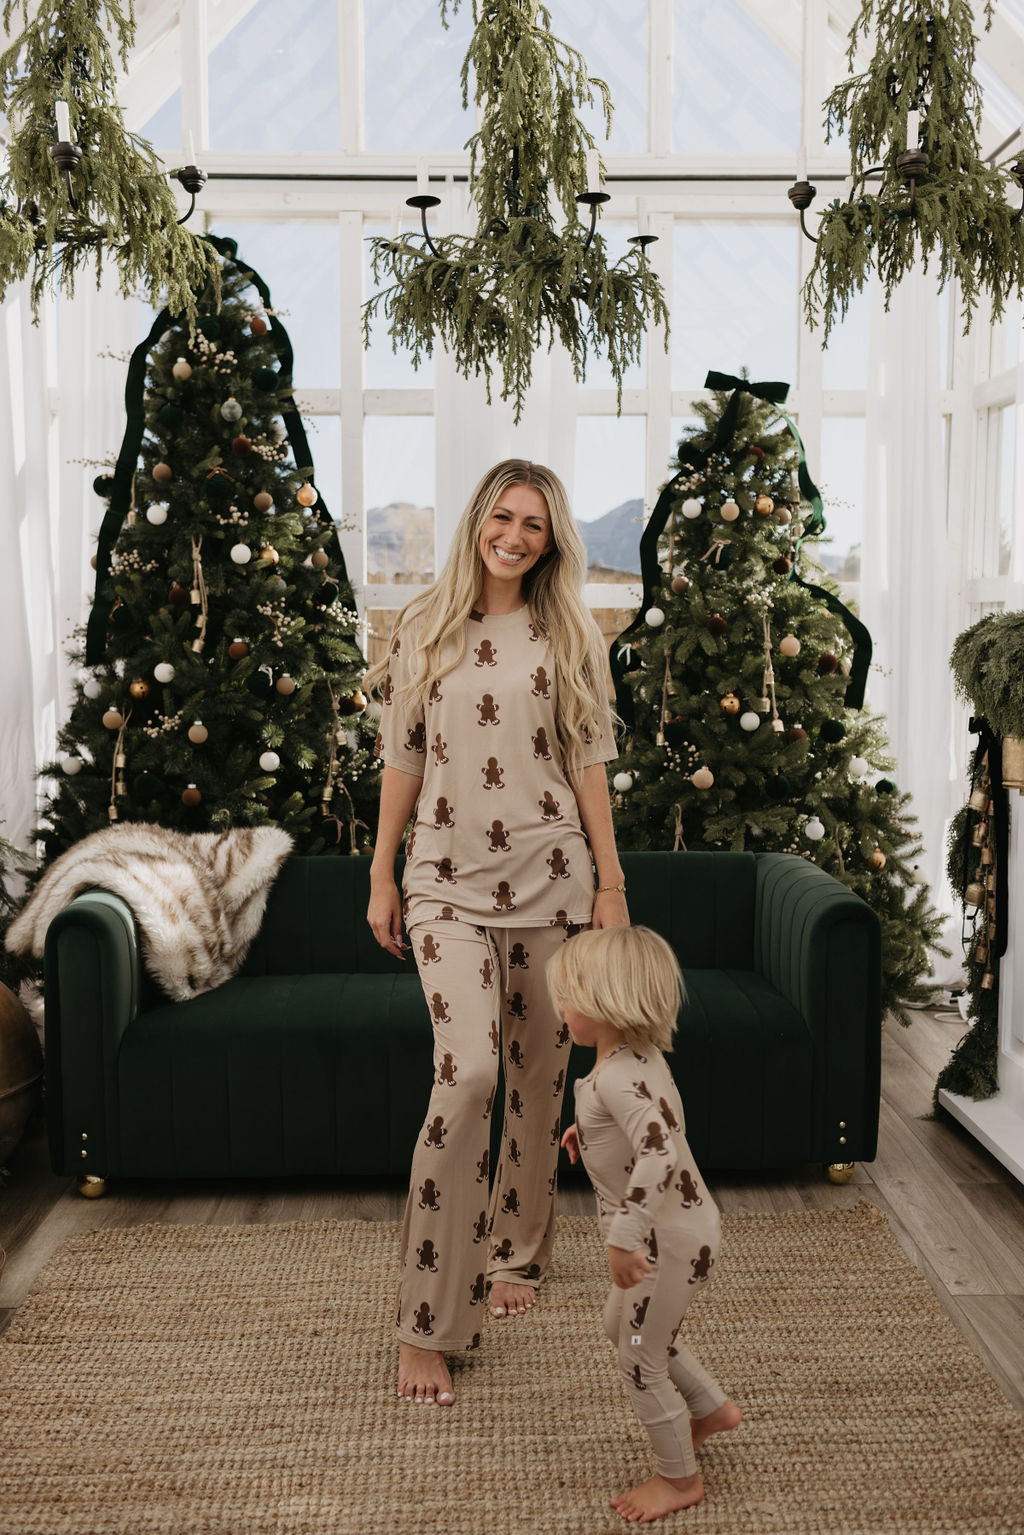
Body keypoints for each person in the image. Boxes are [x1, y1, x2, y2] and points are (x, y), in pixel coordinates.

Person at [365, 459, 629, 1410]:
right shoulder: (424, 624)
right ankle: (426, 1321)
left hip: (554, 878)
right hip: (444, 881)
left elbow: (590, 760)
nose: (514, 535)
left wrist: (610, 882)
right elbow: (402, 756)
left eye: (534, 524)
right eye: (502, 516)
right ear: (479, 518)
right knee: (468, 1072)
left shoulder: (567, 631)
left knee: (535, 1074)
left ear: (553, 538)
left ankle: (517, 1250)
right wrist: (381, 871)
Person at [549, 925, 742, 1523]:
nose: (560, 1007)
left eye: (568, 997)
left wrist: (623, 1238)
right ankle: (709, 1409)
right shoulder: (637, 1059)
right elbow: (656, 1123)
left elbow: (657, 1153)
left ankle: (677, 1479)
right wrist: (593, 1131)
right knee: (623, 1324)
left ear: (605, 1006)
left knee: (637, 1354)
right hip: (689, 1226)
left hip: (665, 1240)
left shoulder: (611, 1076)